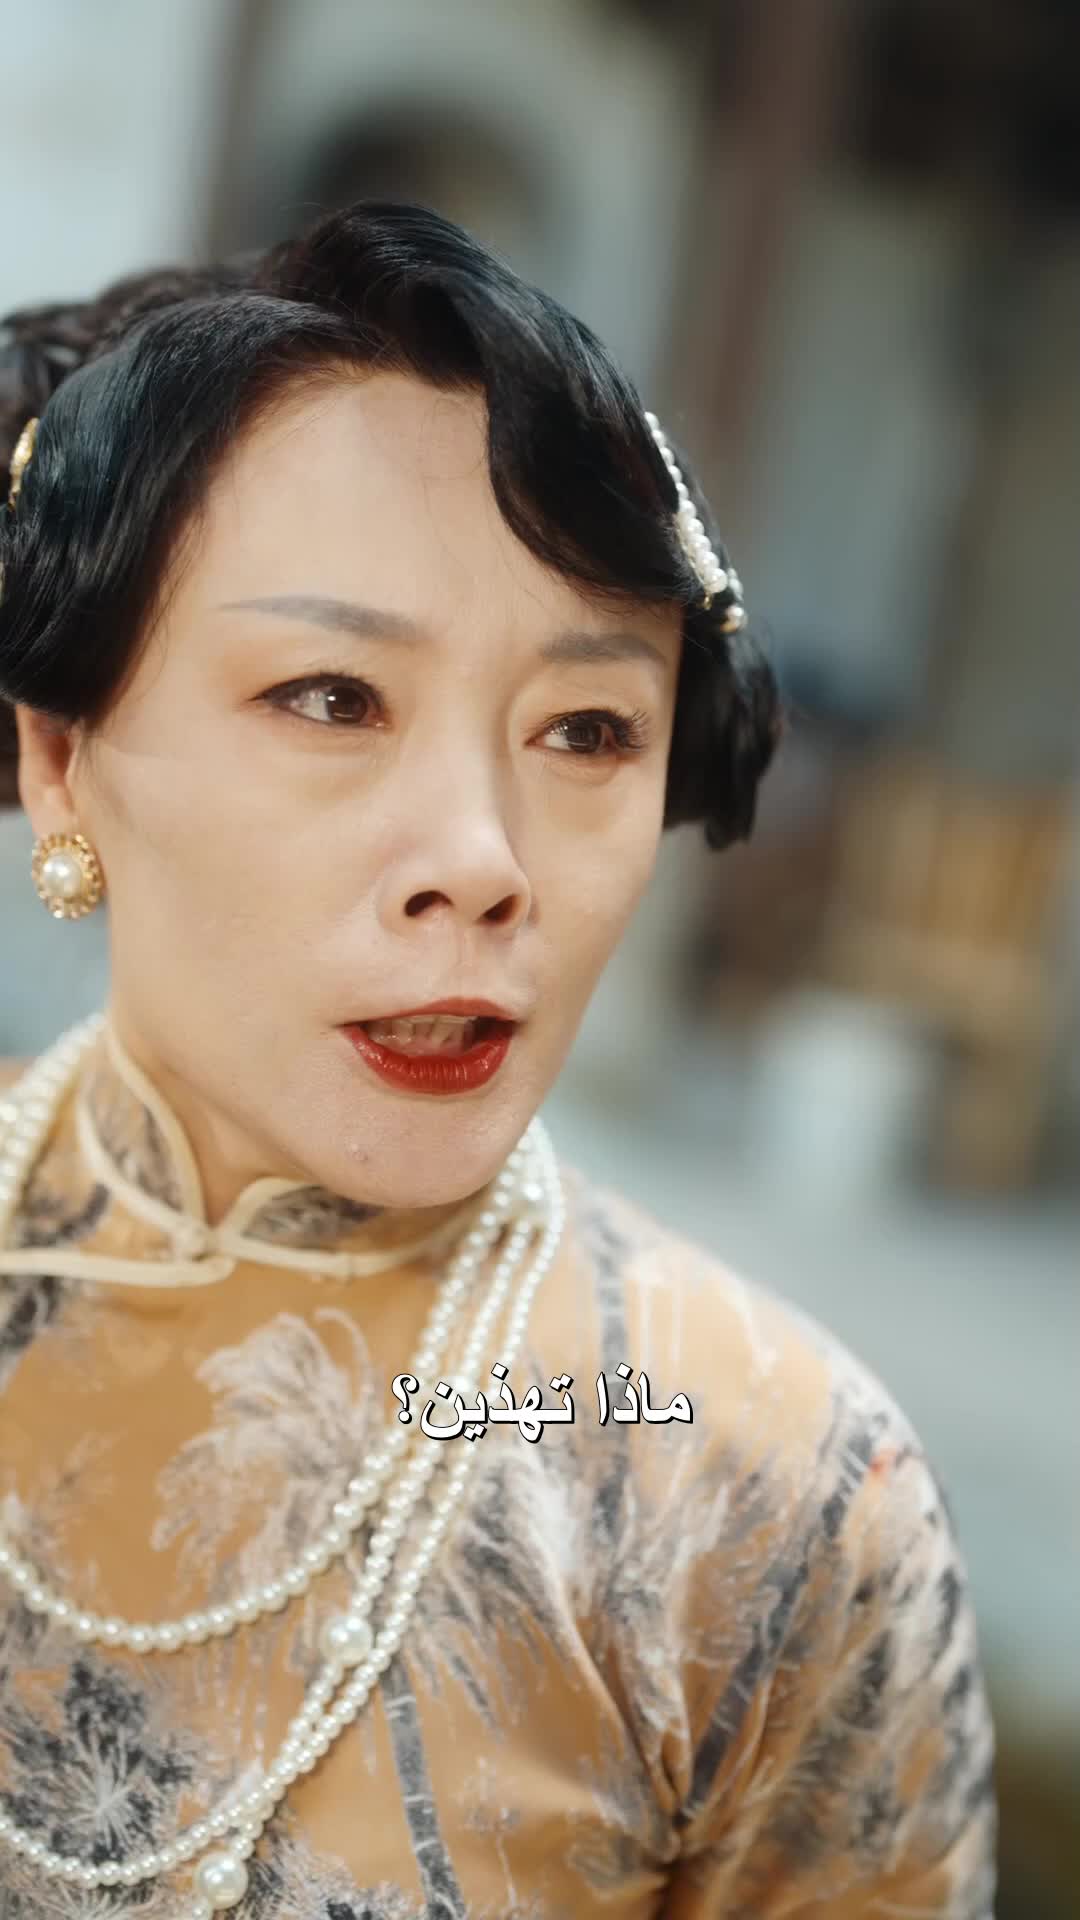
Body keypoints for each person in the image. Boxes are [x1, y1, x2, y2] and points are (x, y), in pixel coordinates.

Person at [0, 202, 995, 1918]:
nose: (481, 859)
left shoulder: (770, 1493)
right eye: (333, 697)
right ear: (63, 759)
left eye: (588, 729)